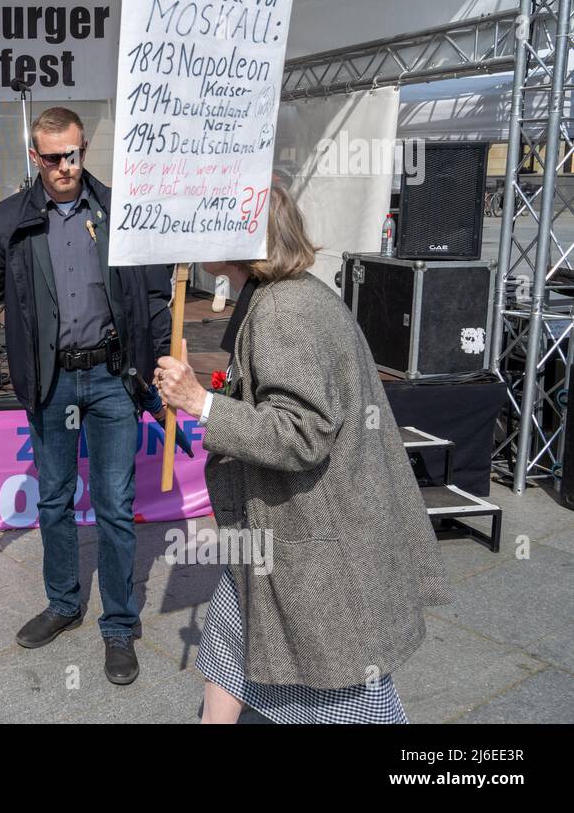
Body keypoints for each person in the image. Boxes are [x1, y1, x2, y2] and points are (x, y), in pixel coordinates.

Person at [153, 183, 451, 723]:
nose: (192, 234)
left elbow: (302, 433)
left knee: (345, 687)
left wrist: (200, 404)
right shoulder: (293, 293)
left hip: (315, 539)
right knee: (229, 647)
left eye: (205, 221)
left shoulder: (285, 309)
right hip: (279, 532)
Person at [0, 106, 172, 685]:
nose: (65, 167)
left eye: (73, 154)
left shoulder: (120, 213)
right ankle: (64, 603)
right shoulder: (12, 219)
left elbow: (153, 301)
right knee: (53, 499)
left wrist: (160, 370)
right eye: (53, 158)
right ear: (35, 158)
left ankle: (120, 625)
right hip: (50, 381)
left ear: (82, 150)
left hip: (111, 378)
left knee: (115, 505)